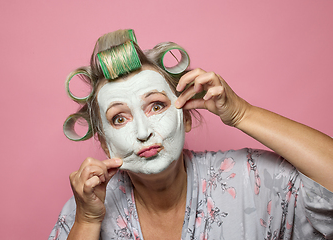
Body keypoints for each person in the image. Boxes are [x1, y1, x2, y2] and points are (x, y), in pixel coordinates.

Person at [49, 29, 333, 240]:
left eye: (156, 105)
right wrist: (87, 220)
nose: (143, 133)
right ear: (104, 143)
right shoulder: (86, 210)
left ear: (184, 116)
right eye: (119, 118)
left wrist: (242, 114)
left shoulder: (252, 179)